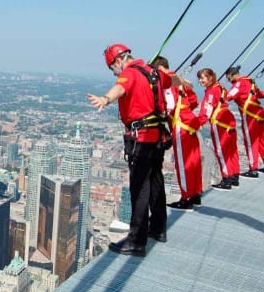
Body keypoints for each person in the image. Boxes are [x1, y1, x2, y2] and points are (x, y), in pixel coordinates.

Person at [88, 44, 173, 256]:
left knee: (139, 188)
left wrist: (105, 99)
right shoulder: (154, 72)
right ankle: (158, 228)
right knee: (155, 180)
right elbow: (174, 80)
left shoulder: (130, 73)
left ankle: (136, 240)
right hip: (159, 137)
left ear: (118, 61)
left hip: (142, 139)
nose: (114, 72)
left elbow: (120, 88)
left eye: (111, 68)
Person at [153, 57, 203, 211]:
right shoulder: (181, 81)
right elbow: (194, 100)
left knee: (183, 163)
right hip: (190, 124)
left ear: (160, 68)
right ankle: (195, 194)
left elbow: (169, 106)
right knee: (193, 161)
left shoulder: (168, 82)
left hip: (180, 126)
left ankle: (186, 198)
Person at [196, 68, 240, 190]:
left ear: (210, 77)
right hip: (229, 120)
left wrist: (199, 123)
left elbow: (207, 109)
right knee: (231, 150)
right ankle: (234, 176)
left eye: (202, 78)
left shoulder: (210, 92)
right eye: (199, 78)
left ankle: (227, 178)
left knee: (221, 151)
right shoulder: (220, 87)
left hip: (219, 122)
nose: (200, 80)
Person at [224, 66, 264, 175]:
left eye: (228, 78)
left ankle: (253, 169)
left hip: (250, 115)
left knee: (251, 142)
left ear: (233, 74)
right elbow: (261, 94)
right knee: (262, 140)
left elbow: (228, 96)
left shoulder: (238, 84)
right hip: (259, 113)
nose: (228, 81)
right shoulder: (250, 81)